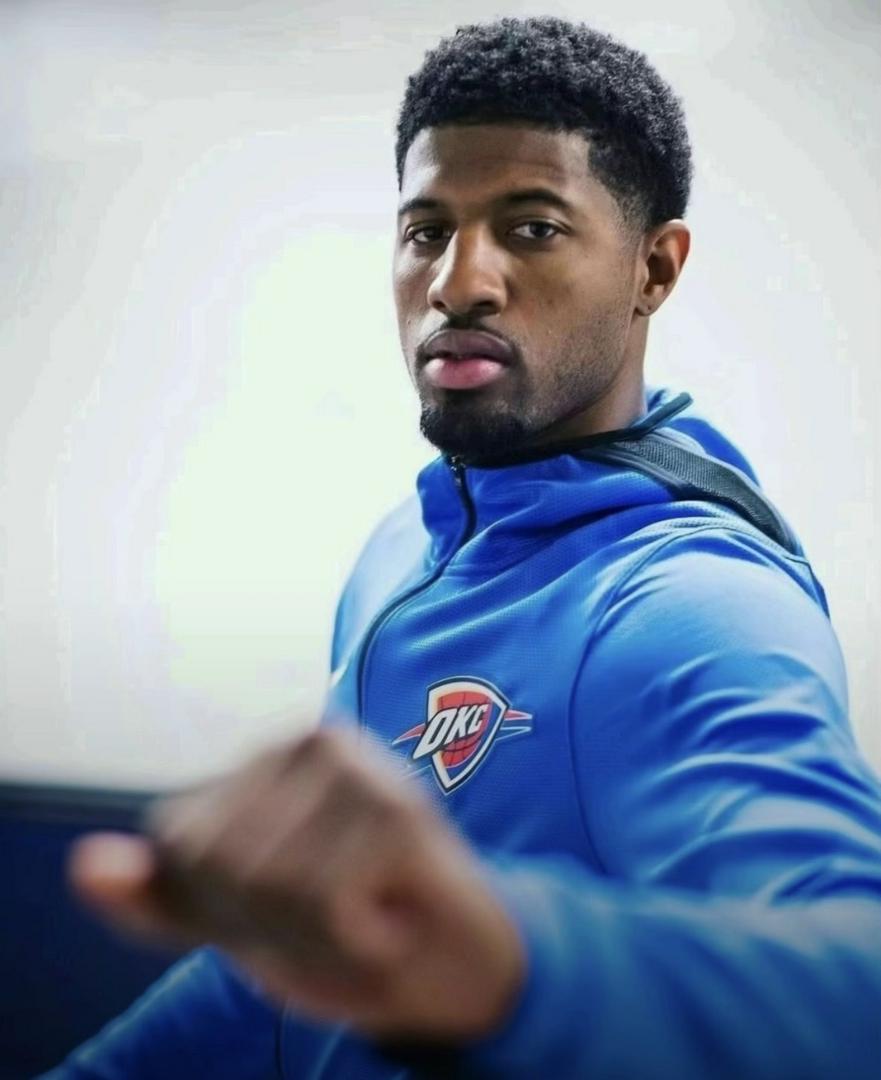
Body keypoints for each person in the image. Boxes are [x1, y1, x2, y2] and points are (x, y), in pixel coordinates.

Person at [43, 15, 881, 1080]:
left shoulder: (685, 603)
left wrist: (500, 964)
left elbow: (856, 994)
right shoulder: (403, 550)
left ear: (653, 268)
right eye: (426, 230)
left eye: (530, 228)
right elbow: (299, 966)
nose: (457, 282)